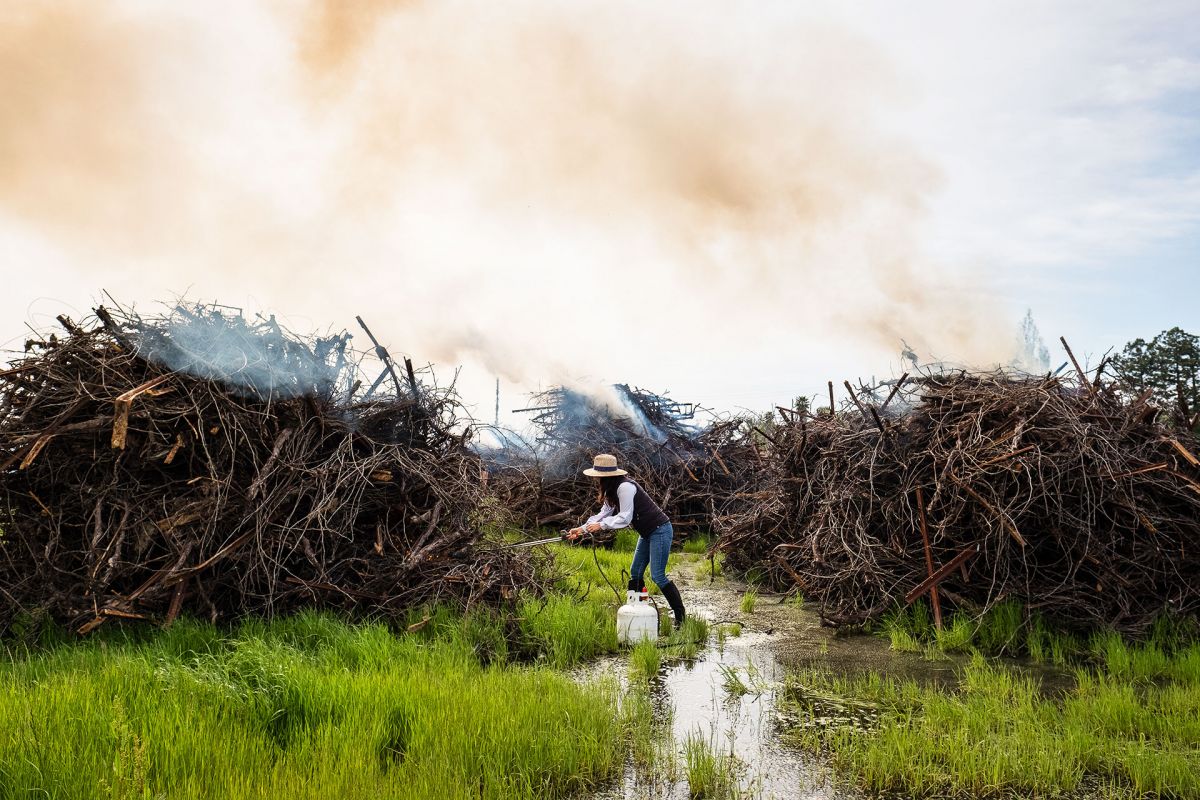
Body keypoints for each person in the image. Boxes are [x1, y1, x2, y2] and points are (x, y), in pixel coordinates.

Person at [567, 453, 686, 628]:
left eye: (598, 477)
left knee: (657, 575)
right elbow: (603, 514)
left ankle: (680, 618)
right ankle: (636, 612)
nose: (596, 480)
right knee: (635, 572)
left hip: (660, 530)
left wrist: (602, 526)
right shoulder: (611, 490)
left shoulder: (625, 487)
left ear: (606, 476)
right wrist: (582, 529)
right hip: (647, 533)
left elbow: (625, 517)